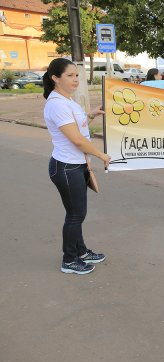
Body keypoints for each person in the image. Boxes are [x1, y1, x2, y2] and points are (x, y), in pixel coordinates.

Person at [43, 58, 111, 275]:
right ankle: (69, 260)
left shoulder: (67, 101)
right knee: (75, 215)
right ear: (55, 78)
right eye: (70, 76)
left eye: (77, 75)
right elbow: (77, 140)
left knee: (76, 213)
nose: (75, 80)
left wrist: (91, 114)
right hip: (66, 167)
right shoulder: (56, 104)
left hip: (76, 165)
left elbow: (78, 128)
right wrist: (101, 154)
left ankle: (80, 251)